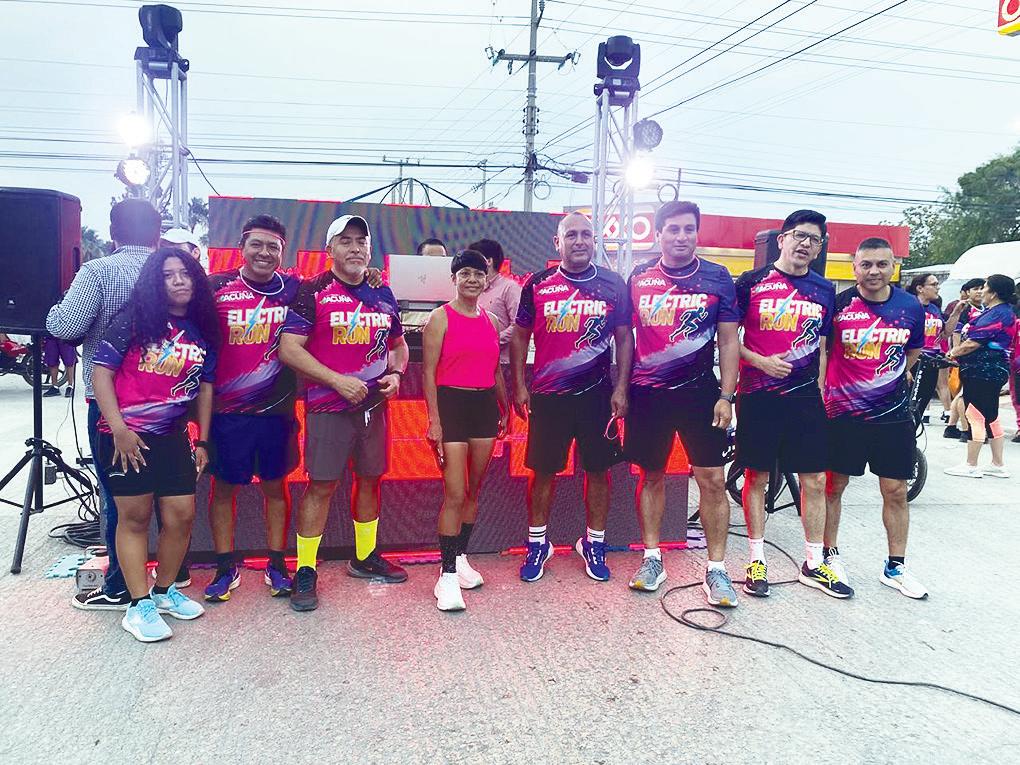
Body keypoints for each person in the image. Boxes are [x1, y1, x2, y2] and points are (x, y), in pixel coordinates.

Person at [47, 199, 190, 610]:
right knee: (172, 498)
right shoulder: (172, 272)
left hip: (113, 408)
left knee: (121, 502)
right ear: (158, 234)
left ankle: (119, 586)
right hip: (168, 406)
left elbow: (66, 327)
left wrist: (53, 308)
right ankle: (172, 576)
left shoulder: (99, 271)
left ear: (113, 234)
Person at [279, 215, 409, 612]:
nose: (355, 248)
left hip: (373, 407)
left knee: (370, 480)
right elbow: (289, 349)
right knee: (321, 486)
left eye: (361, 241)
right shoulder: (312, 290)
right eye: (346, 240)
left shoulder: (382, 291)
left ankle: (364, 557)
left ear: (370, 249)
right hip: (328, 406)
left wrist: (397, 374)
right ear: (330, 249)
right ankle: (305, 569)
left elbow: (399, 346)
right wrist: (337, 381)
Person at [91, 248, 218, 641]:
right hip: (126, 438)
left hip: (174, 437)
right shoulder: (133, 319)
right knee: (135, 519)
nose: (178, 280)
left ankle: (164, 592)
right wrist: (119, 429)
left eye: (185, 273)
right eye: (167, 275)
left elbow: (205, 388)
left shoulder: (202, 327)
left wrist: (203, 440)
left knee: (181, 516)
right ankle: (138, 605)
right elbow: (100, 374)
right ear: (154, 282)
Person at [624, 201, 738, 605]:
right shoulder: (639, 276)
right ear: (658, 234)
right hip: (648, 393)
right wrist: (621, 389)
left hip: (700, 394)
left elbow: (729, 341)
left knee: (713, 480)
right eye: (673, 229)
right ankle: (652, 559)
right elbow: (625, 338)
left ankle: (717, 569)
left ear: (697, 233)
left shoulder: (718, 277)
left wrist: (726, 395)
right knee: (651, 475)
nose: (681, 237)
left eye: (689, 229)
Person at [510, 212, 631, 584]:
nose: (580, 241)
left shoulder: (613, 284)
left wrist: (621, 387)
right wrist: (519, 385)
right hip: (549, 397)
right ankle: (538, 544)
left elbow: (624, 338)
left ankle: (594, 543)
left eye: (586, 235)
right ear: (557, 243)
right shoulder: (538, 284)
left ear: (594, 240)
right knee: (542, 472)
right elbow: (519, 336)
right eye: (572, 235)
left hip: (598, 397)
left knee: (598, 471)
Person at [735, 210, 844, 599]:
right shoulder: (750, 283)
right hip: (758, 394)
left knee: (814, 479)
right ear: (781, 239)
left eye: (814, 239)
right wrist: (760, 361)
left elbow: (824, 347)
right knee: (757, 477)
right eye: (799, 235)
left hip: (805, 399)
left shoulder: (825, 290)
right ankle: (756, 559)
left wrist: (822, 389)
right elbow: (727, 340)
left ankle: (814, 562)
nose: (805, 244)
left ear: (819, 248)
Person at [203, 215, 302, 602]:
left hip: (276, 412)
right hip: (226, 414)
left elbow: (340, 284)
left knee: (276, 488)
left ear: (282, 252)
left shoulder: (295, 289)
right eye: (256, 244)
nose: (264, 252)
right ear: (242, 247)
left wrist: (374, 276)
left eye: (272, 246)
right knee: (223, 490)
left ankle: (276, 565)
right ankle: (225, 568)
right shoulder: (215, 287)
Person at [823, 238, 928, 600]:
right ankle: (828, 556)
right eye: (866, 264)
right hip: (843, 414)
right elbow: (823, 352)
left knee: (895, 491)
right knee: (833, 487)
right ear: (854, 267)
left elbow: (913, 349)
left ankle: (895, 567)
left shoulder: (910, 306)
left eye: (882, 264)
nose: (873, 272)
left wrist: (891, 376)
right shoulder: (839, 305)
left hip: (893, 416)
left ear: (893, 266)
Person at [422, 250, 510, 611]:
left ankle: (459, 559)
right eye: (465, 274)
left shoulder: (492, 320)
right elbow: (428, 372)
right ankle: (445, 577)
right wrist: (434, 420)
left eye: (479, 274)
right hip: (451, 407)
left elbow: (495, 369)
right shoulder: (439, 318)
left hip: (484, 407)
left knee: (474, 490)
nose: (472, 279)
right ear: (454, 279)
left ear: (486, 280)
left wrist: (504, 407)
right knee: (455, 492)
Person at [945, 275, 1018, 478]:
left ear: (993, 293)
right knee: (991, 415)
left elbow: (972, 343)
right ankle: (997, 463)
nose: (981, 291)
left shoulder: (996, 314)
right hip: (993, 371)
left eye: (985, 287)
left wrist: (951, 353)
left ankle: (971, 464)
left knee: (974, 415)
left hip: (982, 372)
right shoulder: (1003, 312)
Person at [905, 273, 954, 418]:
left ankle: (915, 426)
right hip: (914, 359)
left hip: (931, 360)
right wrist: (905, 368)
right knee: (909, 402)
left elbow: (945, 333)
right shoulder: (909, 307)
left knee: (924, 398)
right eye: (933, 284)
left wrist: (956, 313)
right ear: (920, 288)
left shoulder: (934, 308)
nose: (938, 288)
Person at [943, 279, 986, 441]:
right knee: (964, 394)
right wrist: (956, 353)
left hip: (978, 357)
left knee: (962, 392)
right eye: (976, 289)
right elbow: (956, 333)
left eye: (982, 288)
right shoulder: (965, 309)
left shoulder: (984, 309)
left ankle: (951, 427)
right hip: (965, 356)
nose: (980, 291)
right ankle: (967, 429)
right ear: (967, 292)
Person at [470, 238, 522, 364]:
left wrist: (492, 341)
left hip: (502, 364)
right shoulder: (473, 289)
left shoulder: (510, 288)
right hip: (474, 361)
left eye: (474, 259)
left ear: (488, 261)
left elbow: (519, 326)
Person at [42, 333, 77, 398]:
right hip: (51, 334)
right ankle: (54, 386)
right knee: (52, 360)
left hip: (66, 334)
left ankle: (70, 386)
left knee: (69, 360)